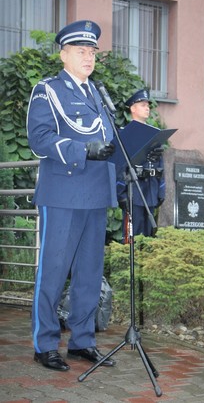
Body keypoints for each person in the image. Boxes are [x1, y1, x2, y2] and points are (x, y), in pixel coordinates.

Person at [27, 20, 117, 371]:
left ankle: (82, 341)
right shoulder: (47, 90)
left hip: (96, 194)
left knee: (89, 274)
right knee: (53, 271)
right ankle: (45, 344)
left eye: (92, 51)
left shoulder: (98, 93)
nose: (88, 57)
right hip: (64, 193)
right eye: (81, 51)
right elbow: (40, 139)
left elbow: (110, 141)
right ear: (63, 54)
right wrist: (83, 151)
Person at [117, 89, 165, 238]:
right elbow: (119, 166)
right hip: (133, 193)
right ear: (132, 108)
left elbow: (160, 164)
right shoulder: (124, 134)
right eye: (143, 105)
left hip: (150, 193)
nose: (147, 108)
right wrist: (121, 194)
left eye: (148, 105)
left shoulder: (154, 134)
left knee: (149, 237)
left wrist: (161, 190)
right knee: (132, 239)